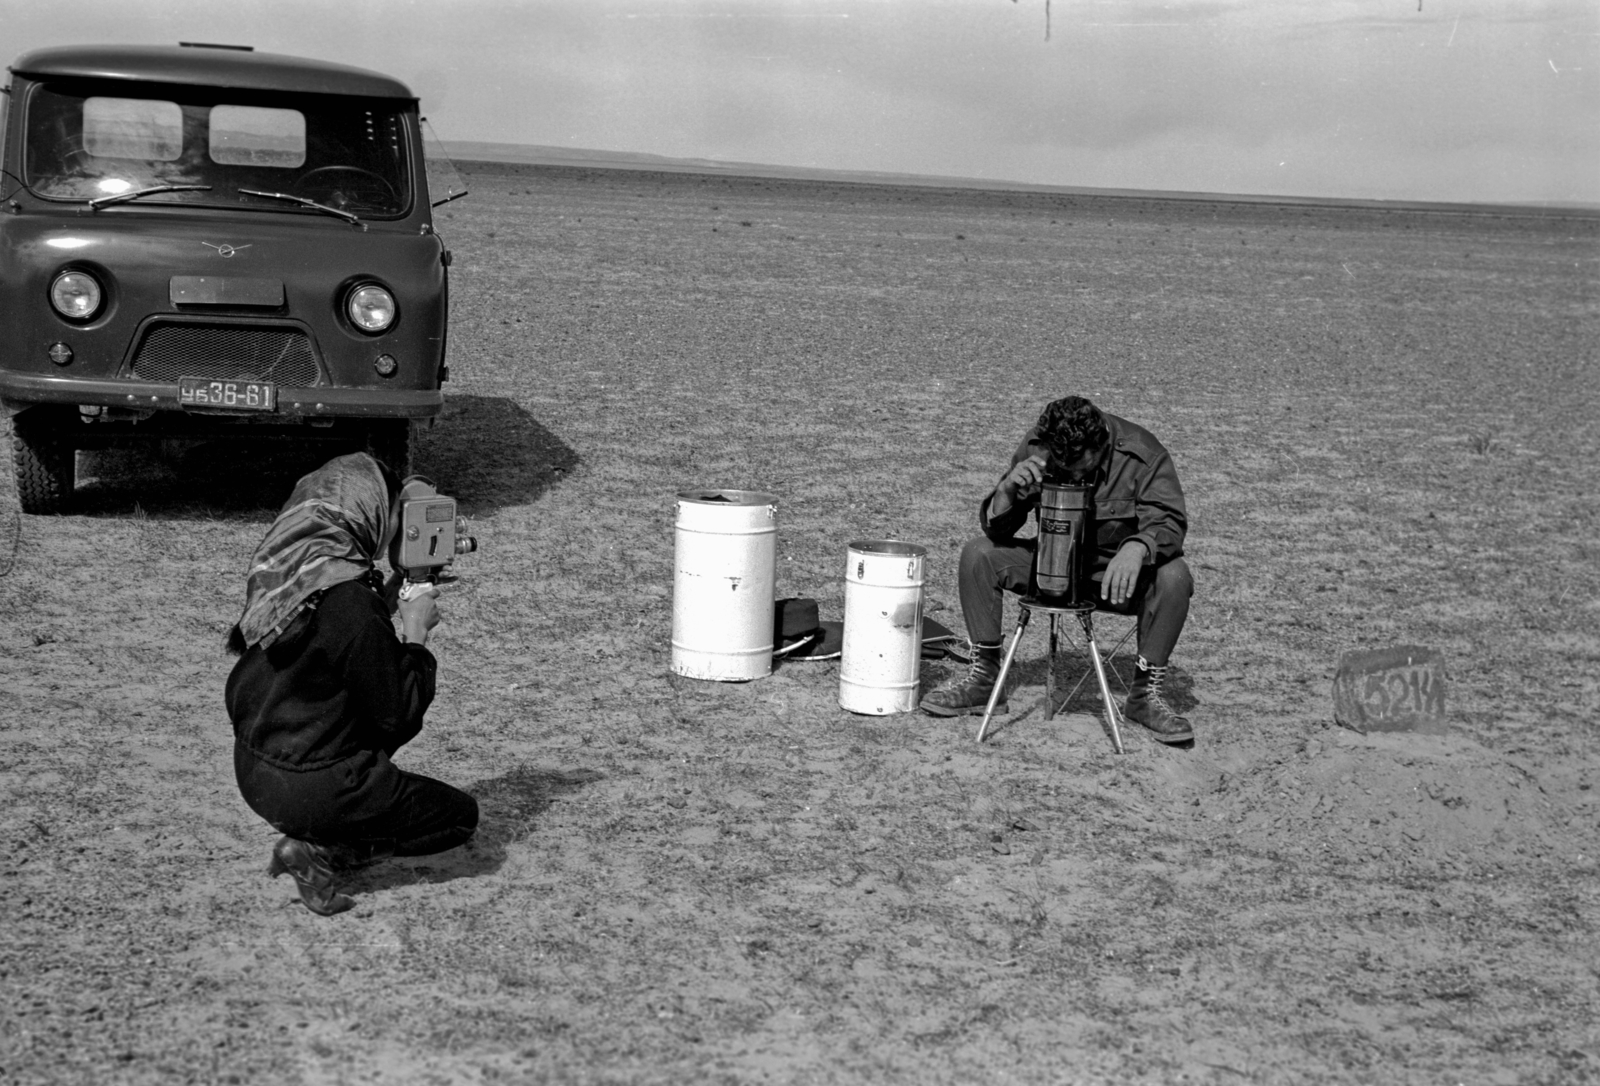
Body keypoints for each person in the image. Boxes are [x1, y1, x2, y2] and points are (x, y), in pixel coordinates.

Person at [225, 452, 479, 915]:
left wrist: (388, 595)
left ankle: (322, 822)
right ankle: (320, 853)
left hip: (254, 768)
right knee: (458, 817)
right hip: (310, 787)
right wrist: (416, 635)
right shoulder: (351, 604)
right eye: (397, 510)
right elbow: (398, 713)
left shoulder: (293, 573)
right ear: (370, 513)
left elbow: (330, 646)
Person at [920, 395, 1196, 744]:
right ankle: (985, 679)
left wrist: (1138, 547)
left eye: (1081, 465)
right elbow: (998, 531)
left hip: (1114, 579)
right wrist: (1007, 490)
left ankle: (1144, 698)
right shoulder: (1038, 446)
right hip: (1051, 570)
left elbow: (1170, 522)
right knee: (978, 554)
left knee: (1174, 575)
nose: (1072, 472)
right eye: (1062, 464)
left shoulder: (1142, 453)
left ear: (1103, 444)